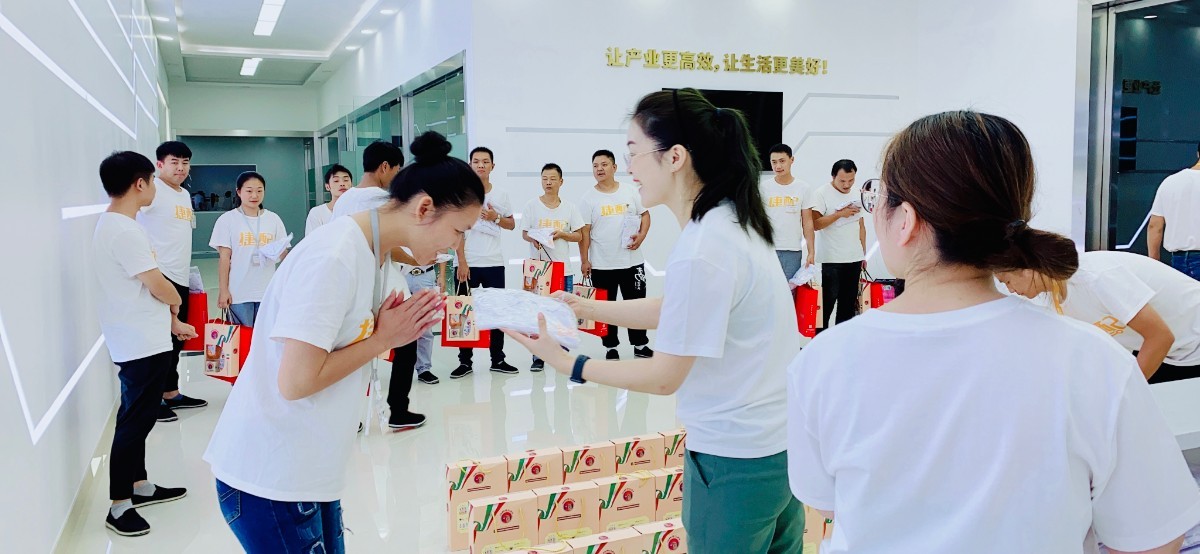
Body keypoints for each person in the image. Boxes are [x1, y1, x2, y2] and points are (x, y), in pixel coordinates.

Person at [787, 111, 1200, 553]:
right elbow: (1152, 539)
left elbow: (827, 504)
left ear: (905, 219)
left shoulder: (824, 362)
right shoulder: (1096, 361)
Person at [509, 89, 804, 552]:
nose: (629, 167)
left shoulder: (704, 246)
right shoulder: (736, 222)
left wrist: (570, 364)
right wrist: (588, 308)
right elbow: (681, 308)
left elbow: (664, 376)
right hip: (779, 452)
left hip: (734, 464)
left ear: (675, 157)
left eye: (633, 152)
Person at [204, 132, 481, 553]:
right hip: (272, 475)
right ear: (424, 208)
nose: (456, 245)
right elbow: (295, 382)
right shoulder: (335, 256)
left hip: (307, 467)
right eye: (459, 231)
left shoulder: (371, 250)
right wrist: (384, 337)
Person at [93, 151, 196, 536]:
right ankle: (119, 506)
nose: (154, 187)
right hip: (139, 342)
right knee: (134, 422)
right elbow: (156, 282)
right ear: (140, 184)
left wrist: (171, 319)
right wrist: (175, 303)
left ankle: (139, 485)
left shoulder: (120, 225)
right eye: (151, 180)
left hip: (144, 336)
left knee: (139, 416)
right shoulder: (124, 230)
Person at [331, 140, 427, 429]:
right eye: (397, 170)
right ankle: (398, 409)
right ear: (385, 167)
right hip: (383, 285)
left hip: (351, 283)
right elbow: (386, 245)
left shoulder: (344, 199)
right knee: (407, 343)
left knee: (352, 349)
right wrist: (416, 258)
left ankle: (349, 417)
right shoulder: (382, 200)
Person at [998, 249, 1200, 383]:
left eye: (1007, 281)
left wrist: (1125, 393)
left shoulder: (1096, 277)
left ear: (1028, 269)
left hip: (1191, 337)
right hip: (1174, 353)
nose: (1010, 289)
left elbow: (1160, 337)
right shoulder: (1056, 300)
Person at [136, 141, 207, 422]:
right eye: (174, 162)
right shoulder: (153, 189)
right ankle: (152, 400)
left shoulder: (184, 194)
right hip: (159, 275)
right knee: (158, 341)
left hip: (180, 275)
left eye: (185, 162)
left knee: (176, 340)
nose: (180, 168)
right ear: (160, 164)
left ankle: (171, 392)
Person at [450, 146, 520, 379]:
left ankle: (497, 359)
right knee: (464, 313)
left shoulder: (501, 194)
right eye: (476, 161)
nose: (481, 165)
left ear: (492, 166)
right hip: (467, 263)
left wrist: (495, 217)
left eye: (485, 161)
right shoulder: (462, 194)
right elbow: (456, 230)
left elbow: (511, 224)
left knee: (496, 312)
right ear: (470, 165)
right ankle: (465, 362)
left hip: (493, 262)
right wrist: (462, 261)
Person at [579, 149, 653, 360]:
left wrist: (642, 235)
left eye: (604, 164)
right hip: (602, 264)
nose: (599, 169)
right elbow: (585, 233)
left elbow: (645, 214)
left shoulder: (630, 191)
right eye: (595, 166)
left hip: (632, 262)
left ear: (614, 167)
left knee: (636, 305)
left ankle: (640, 344)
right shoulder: (588, 199)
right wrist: (584, 260)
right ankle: (610, 347)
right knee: (606, 309)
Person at [520, 163, 584, 371]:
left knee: (563, 313)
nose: (548, 182)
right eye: (544, 178)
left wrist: (562, 234)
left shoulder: (570, 207)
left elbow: (579, 235)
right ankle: (538, 357)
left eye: (552, 179)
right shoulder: (531, 205)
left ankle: (561, 356)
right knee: (539, 314)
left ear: (561, 182)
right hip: (539, 272)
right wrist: (533, 239)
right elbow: (524, 233)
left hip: (563, 270)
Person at [210, 172, 289, 328]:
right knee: (242, 337)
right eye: (249, 190)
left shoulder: (273, 219)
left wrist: (277, 253)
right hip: (239, 292)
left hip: (267, 291)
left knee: (265, 336)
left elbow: (283, 254)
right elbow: (224, 259)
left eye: (259, 190)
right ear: (239, 192)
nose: (254, 195)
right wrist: (223, 290)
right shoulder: (227, 220)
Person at [807, 159, 865, 328]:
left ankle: (842, 341)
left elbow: (861, 226)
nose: (847, 185)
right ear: (833, 177)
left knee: (848, 306)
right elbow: (815, 224)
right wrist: (839, 214)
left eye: (851, 180)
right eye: (842, 181)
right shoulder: (821, 193)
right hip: (832, 259)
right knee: (826, 305)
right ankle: (821, 340)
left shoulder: (857, 194)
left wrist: (863, 254)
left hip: (854, 258)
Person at [761, 143, 816, 278]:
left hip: (792, 249)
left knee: (790, 288)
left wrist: (811, 252)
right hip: (768, 248)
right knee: (769, 288)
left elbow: (807, 223)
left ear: (792, 160)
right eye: (774, 162)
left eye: (782, 161)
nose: (778, 166)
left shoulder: (803, 188)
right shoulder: (763, 187)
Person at [1148, 144, 1200, 280]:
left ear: (1198, 154)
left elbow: (1155, 226)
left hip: (1179, 261)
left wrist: (1154, 264)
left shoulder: (1170, 182)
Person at [305, 164, 353, 236]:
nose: (342, 184)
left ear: (351, 185)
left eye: (346, 180)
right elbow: (312, 241)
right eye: (336, 181)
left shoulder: (359, 211)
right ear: (327, 186)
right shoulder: (317, 213)